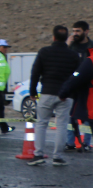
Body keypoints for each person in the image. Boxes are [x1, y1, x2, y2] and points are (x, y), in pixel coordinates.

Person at [29, 25, 81, 166]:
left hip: (47, 92)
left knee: (41, 123)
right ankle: (57, 157)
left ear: (53, 37)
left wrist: (32, 91)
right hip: (66, 95)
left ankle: (38, 154)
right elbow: (77, 75)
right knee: (62, 125)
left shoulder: (44, 52)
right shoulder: (73, 55)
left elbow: (35, 73)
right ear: (66, 38)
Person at [58, 51, 93, 154]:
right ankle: (82, 143)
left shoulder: (90, 61)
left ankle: (73, 143)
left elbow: (76, 77)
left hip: (89, 104)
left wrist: (63, 93)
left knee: (75, 119)